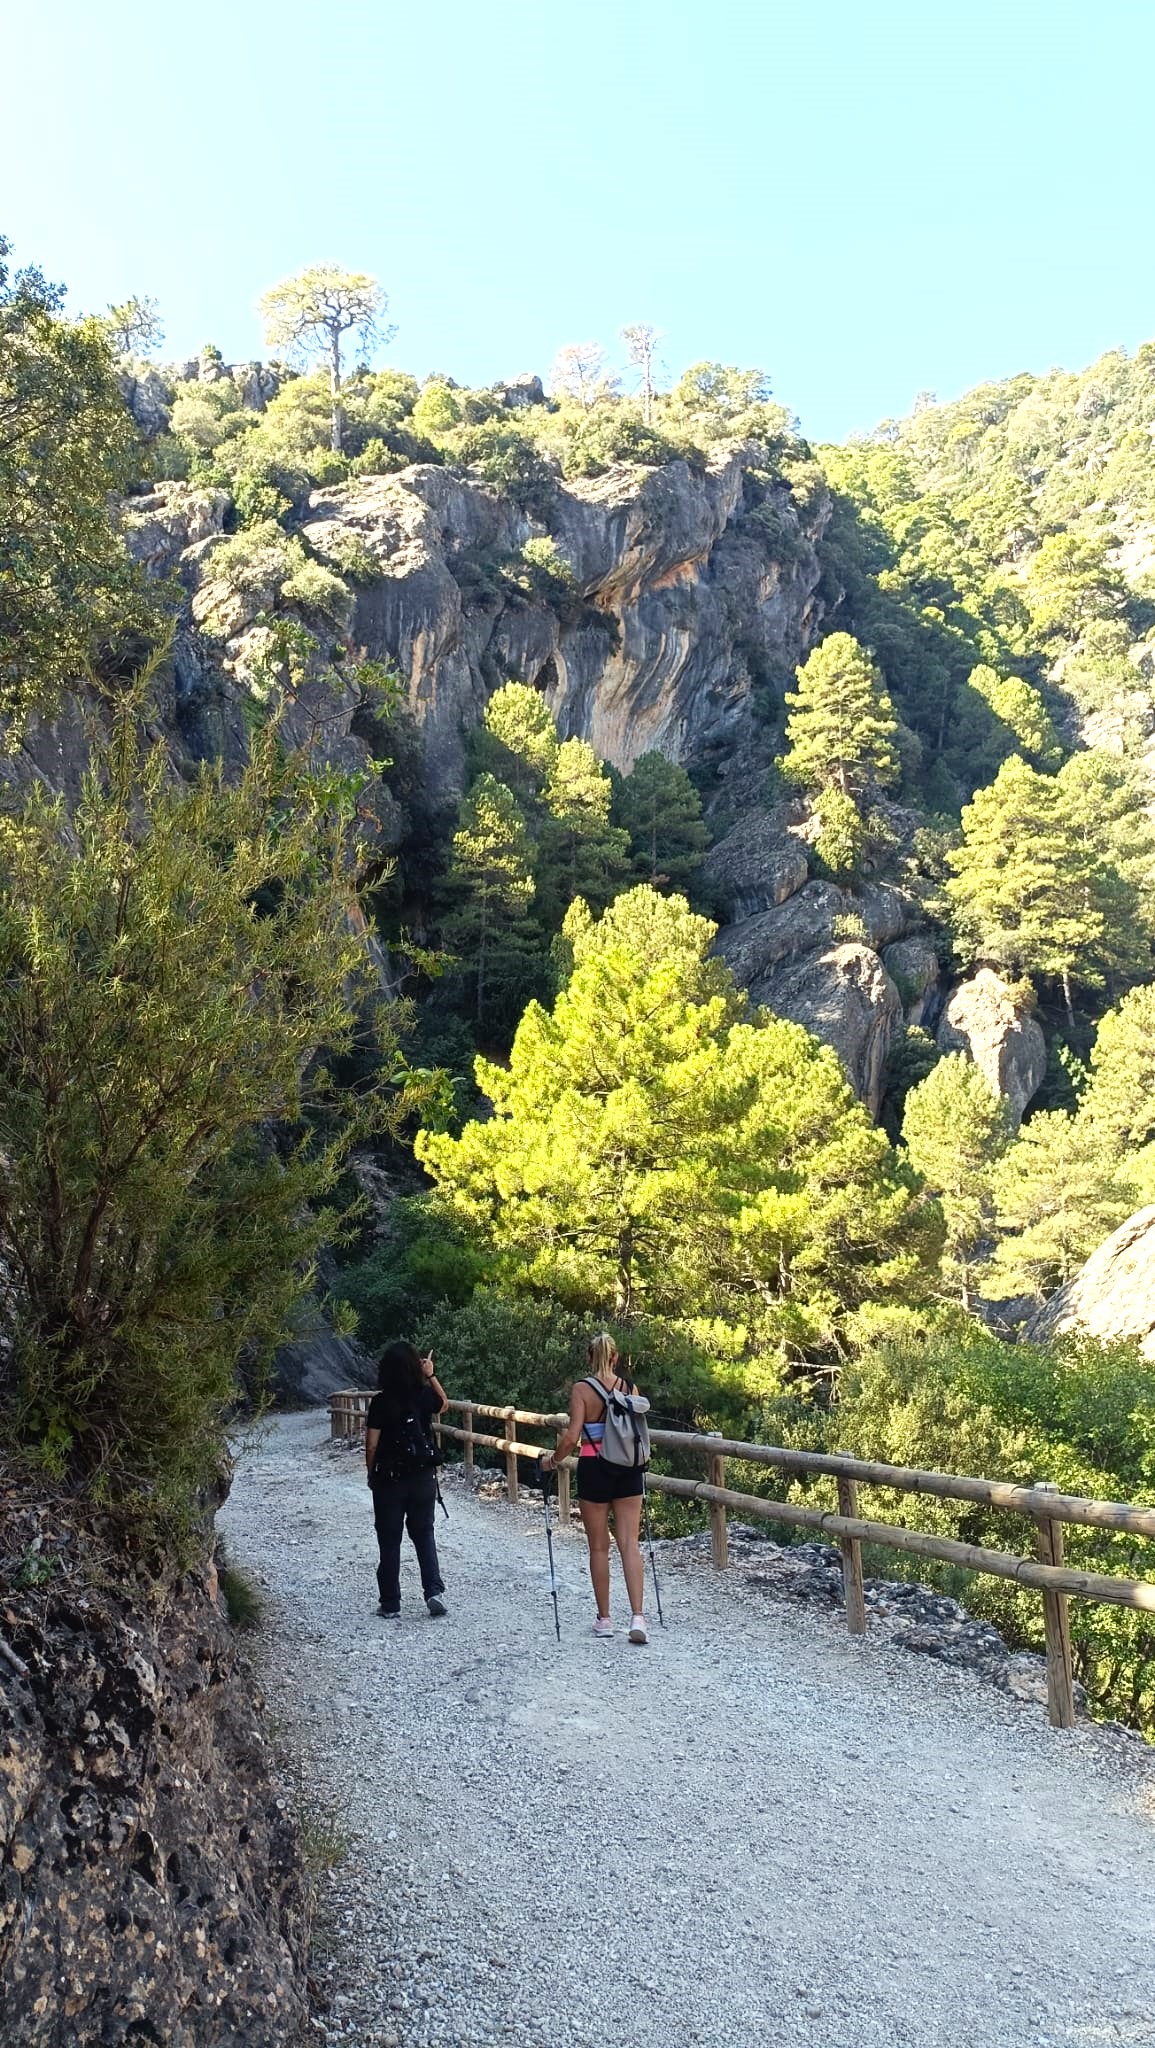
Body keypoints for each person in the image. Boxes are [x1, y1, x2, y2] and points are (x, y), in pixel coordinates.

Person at [541, 1332, 648, 1645]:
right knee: (630, 1543)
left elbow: (572, 1437)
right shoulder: (629, 1388)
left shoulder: (582, 1389)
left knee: (599, 1547)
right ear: (615, 1358)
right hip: (628, 1469)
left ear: (589, 1358)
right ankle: (638, 1617)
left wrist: (552, 1461)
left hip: (595, 1466)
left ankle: (605, 1619)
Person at [365, 1339, 449, 1621]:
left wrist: (371, 1473)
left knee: (389, 1539)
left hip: (389, 1479)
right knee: (424, 1533)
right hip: (423, 1476)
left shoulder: (380, 1402)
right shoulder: (423, 1395)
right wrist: (431, 1375)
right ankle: (433, 1591)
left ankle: (391, 1603)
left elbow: (371, 1445)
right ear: (416, 1366)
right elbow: (444, 1404)